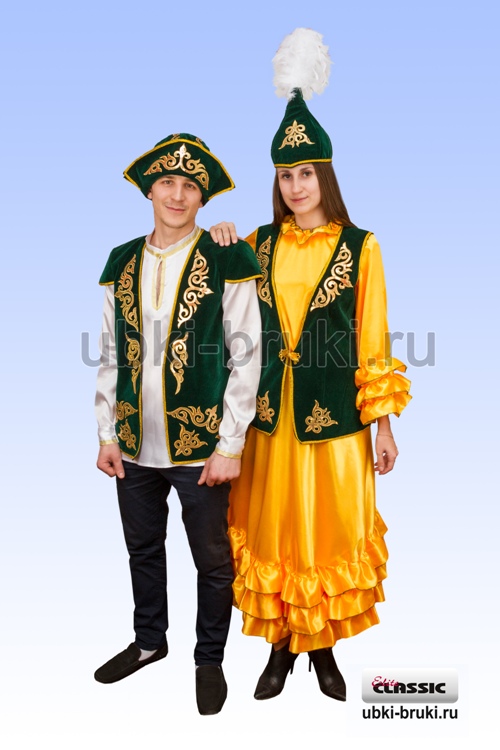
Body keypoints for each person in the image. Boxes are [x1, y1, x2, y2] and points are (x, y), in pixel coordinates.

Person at [210, 29, 412, 702]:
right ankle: (279, 648)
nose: (296, 186)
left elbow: (373, 338)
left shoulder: (361, 246)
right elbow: (212, 297)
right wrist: (221, 237)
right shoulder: (260, 244)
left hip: (334, 421)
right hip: (271, 421)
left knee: (324, 530)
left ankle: (320, 648)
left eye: (305, 173)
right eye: (285, 175)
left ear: (324, 174)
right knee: (275, 530)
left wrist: (383, 425)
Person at [94, 133, 262, 715]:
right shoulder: (121, 260)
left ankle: (208, 658)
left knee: (212, 560)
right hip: (133, 444)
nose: (177, 194)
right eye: (167, 181)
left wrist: (230, 444)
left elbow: (248, 354)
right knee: (142, 548)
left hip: (201, 447)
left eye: (190, 186)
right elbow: (110, 353)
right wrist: (106, 433)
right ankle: (149, 642)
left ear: (203, 198)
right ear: (150, 190)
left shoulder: (226, 257)